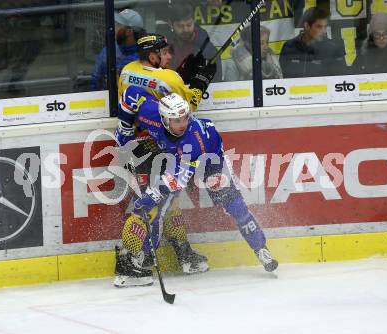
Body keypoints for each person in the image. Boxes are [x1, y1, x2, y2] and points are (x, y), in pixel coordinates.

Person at [114, 87, 279, 287]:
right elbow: (131, 94)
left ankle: (261, 248)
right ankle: (142, 259)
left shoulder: (192, 139)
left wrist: (147, 198)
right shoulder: (151, 112)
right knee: (159, 208)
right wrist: (124, 129)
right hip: (171, 156)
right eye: (177, 120)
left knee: (234, 204)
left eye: (185, 118)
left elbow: (176, 181)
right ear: (164, 120)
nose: (183, 123)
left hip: (210, 159)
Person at [115, 35, 216, 281]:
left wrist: (125, 137)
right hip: (158, 148)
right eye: (165, 52)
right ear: (153, 56)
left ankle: (182, 252)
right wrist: (200, 81)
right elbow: (187, 107)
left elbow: (134, 99)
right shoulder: (170, 78)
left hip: (135, 147)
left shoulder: (127, 71)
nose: (169, 56)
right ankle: (126, 261)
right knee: (153, 206)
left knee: (169, 204)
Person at [279, 7, 346, 78]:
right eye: (319, 27)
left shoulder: (334, 49)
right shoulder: (289, 47)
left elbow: (340, 80)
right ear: (307, 26)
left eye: (325, 27)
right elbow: (283, 77)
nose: (324, 31)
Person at [165, 1, 223, 82]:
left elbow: (216, 80)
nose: (185, 30)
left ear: (194, 21)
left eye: (189, 25)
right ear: (170, 24)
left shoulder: (208, 49)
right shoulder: (165, 44)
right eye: (180, 26)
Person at [90, 9, 145, 91]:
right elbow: (95, 81)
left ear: (129, 31)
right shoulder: (107, 52)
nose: (114, 28)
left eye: (118, 25)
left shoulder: (146, 54)